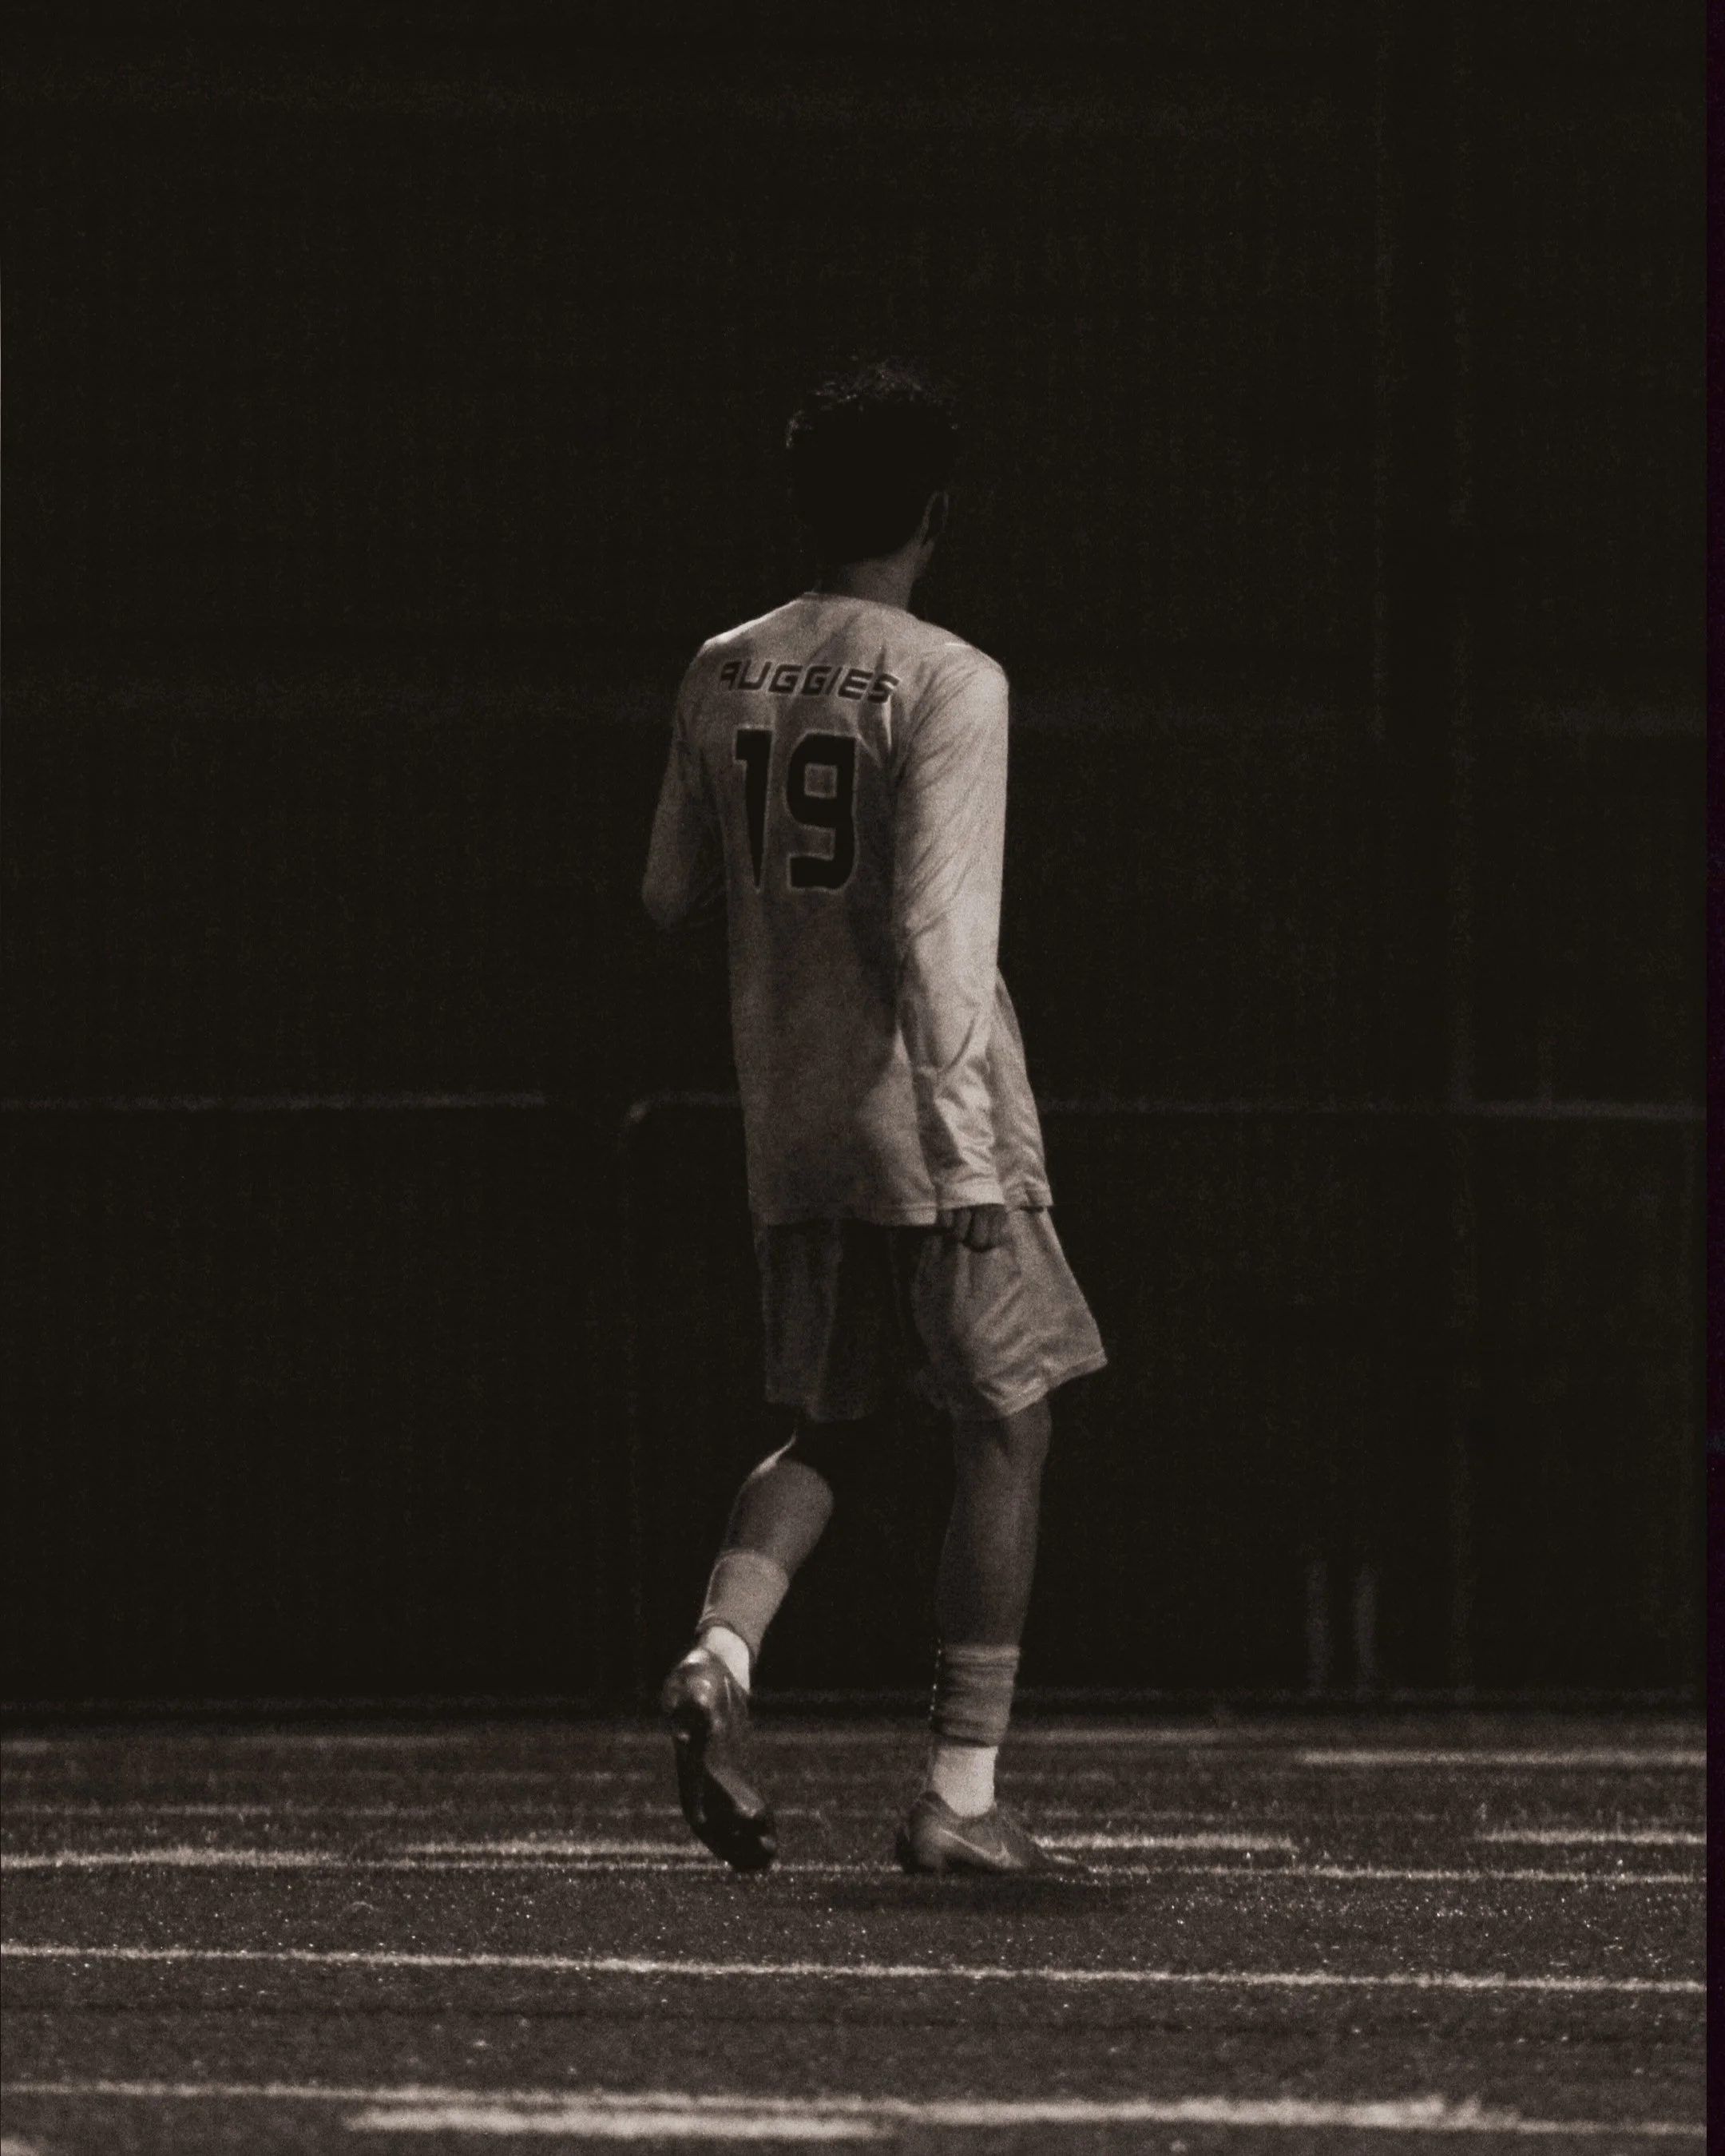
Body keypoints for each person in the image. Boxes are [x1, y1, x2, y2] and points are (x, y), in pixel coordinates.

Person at [640, 359, 1105, 1875]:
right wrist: (970, 1153)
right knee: (1010, 1429)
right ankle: (961, 1803)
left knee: (827, 1425)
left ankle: (722, 1652)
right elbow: (937, 933)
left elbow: (666, 894)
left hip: (793, 1123)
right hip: (926, 1118)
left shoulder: (722, 665)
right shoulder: (950, 676)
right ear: (935, 513)